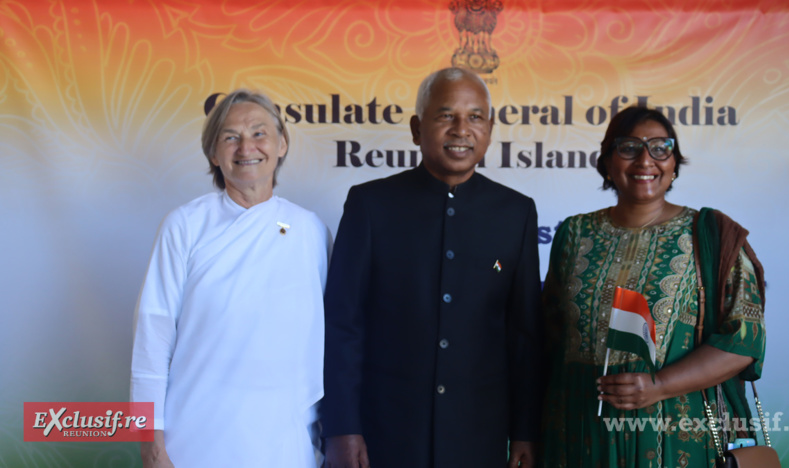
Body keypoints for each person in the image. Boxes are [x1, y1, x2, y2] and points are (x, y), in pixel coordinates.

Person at [321, 67, 543, 468]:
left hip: (478, 436)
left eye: (475, 117)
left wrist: (525, 431)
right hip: (384, 433)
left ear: (490, 130)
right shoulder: (370, 206)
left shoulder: (516, 213)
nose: (461, 129)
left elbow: (523, 335)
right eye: (446, 116)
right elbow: (342, 324)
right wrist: (340, 427)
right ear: (416, 128)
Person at [539, 106, 767, 467]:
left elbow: (743, 341)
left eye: (661, 147)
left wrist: (658, 385)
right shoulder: (573, 234)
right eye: (629, 147)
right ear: (608, 162)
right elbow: (548, 336)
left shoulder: (710, 235)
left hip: (675, 438)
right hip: (576, 433)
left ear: (674, 163)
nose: (646, 159)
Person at [130, 89, 330, 467]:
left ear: (282, 144)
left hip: (286, 442)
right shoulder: (185, 226)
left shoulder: (311, 231)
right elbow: (152, 338)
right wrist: (150, 444)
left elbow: (330, 342)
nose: (246, 148)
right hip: (193, 439)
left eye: (259, 133)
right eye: (230, 137)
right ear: (213, 153)